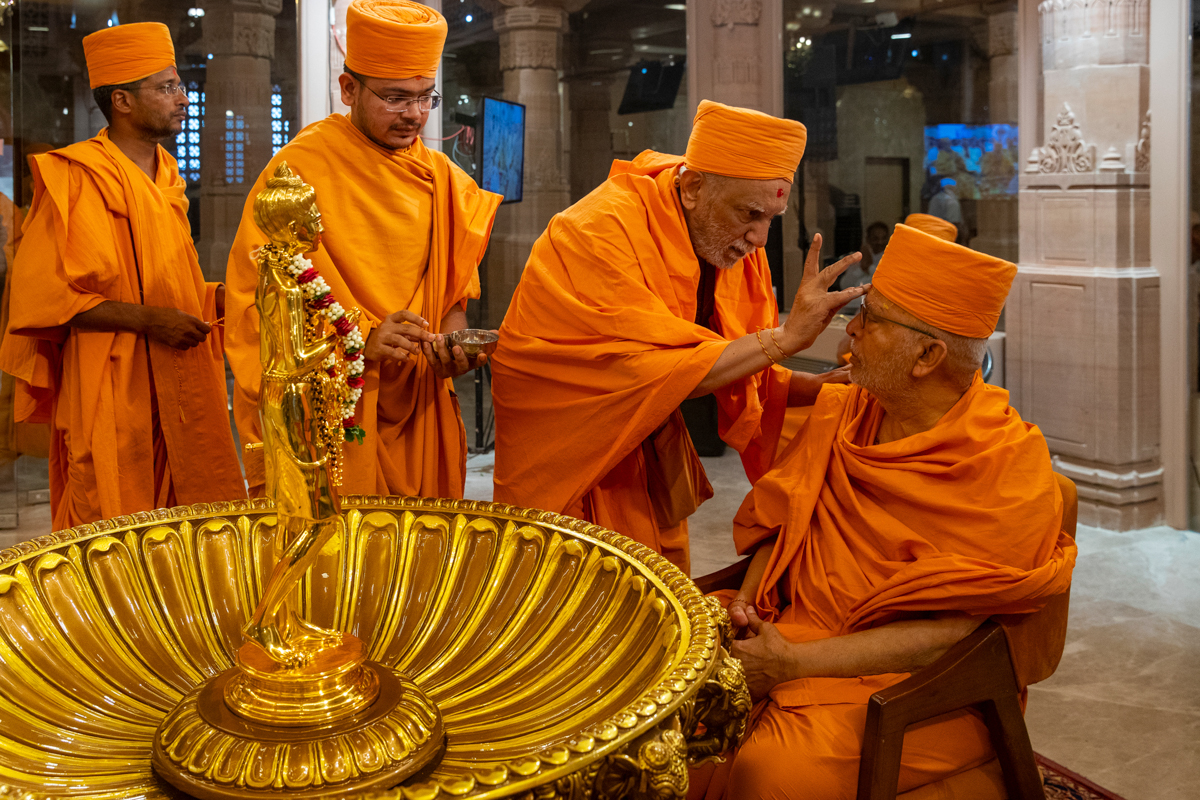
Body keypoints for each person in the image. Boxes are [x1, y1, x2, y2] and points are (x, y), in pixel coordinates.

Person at [691, 223, 1077, 800]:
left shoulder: (1005, 467)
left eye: (871, 320)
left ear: (927, 355)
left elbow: (951, 634)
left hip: (914, 683)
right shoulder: (844, 412)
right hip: (791, 630)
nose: (850, 333)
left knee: (768, 775)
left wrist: (793, 664)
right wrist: (749, 602)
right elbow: (787, 523)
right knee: (662, 710)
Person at [491, 100, 865, 574]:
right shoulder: (597, 233)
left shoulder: (725, 237)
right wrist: (787, 339)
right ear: (692, 188)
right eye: (750, 214)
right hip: (572, 450)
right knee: (570, 605)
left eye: (772, 216)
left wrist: (804, 385)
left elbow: (718, 350)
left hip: (647, 444)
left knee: (651, 597)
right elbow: (650, 369)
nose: (760, 237)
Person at [226, 0, 501, 499]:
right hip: (335, 409)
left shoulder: (445, 182)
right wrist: (360, 341)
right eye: (395, 97)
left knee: (418, 563)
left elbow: (453, 300)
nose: (414, 114)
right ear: (348, 88)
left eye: (425, 97)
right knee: (337, 568)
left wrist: (452, 348)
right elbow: (257, 307)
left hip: (419, 405)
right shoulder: (298, 171)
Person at [0, 23, 245, 529]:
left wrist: (226, 297)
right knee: (114, 527)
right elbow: (45, 300)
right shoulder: (75, 177)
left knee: (192, 523)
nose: (183, 98)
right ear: (122, 101)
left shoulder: (168, 177)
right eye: (167, 87)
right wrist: (150, 320)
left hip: (178, 378)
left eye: (180, 85)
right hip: (111, 384)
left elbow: (166, 284)